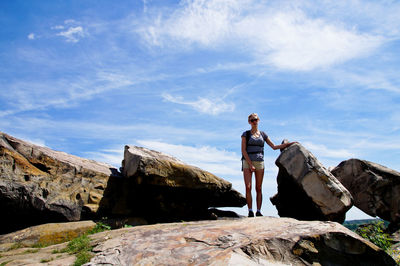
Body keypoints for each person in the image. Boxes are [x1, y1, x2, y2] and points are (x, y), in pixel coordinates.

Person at [241, 113, 297, 217]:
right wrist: (250, 164)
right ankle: (250, 210)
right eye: (252, 120)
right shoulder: (246, 134)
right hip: (247, 162)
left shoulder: (263, 134)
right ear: (249, 122)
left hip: (260, 162)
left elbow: (274, 146)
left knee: (258, 188)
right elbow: (243, 151)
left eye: (256, 120)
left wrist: (289, 144)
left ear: (259, 120)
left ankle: (258, 211)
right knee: (248, 187)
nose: (254, 122)